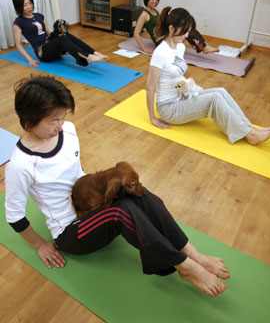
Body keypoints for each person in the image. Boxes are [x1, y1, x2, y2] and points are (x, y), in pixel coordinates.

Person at [5, 75, 230, 298]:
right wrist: (39, 245)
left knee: (140, 194)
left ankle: (193, 254)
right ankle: (185, 267)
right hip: (71, 231)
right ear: (28, 122)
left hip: (90, 203)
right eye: (53, 121)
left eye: (62, 117)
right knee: (122, 211)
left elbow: (73, 171)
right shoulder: (20, 165)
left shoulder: (69, 131)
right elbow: (14, 216)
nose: (60, 125)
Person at [146, 6, 270, 145]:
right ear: (172, 29)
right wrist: (152, 118)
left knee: (220, 91)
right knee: (214, 99)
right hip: (169, 108)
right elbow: (150, 87)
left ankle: (249, 128)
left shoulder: (180, 47)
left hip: (181, 97)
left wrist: (189, 88)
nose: (186, 36)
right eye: (184, 31)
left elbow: (177, 74)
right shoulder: (160, 53)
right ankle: (249, 134)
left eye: (188, 31)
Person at [12, 0, 108, 68]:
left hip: (51, 46)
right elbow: (18, 44)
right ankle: (87, 57)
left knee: (63, 31)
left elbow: (48, 31)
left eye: (30, 3)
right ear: (19, 7)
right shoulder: (19, 22)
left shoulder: (39, 16)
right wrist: (30, 60)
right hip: (43, 52)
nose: (29, 7)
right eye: (25, 5)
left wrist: (61, 39)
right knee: (62, 38)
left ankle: (94, 52)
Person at [134, 0, 219, 55]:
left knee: (187, 27)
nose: (155, 1)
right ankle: (204, 47)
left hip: (166, 36)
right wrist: (144, 49)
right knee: (186, 30)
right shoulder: (144, 15)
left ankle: (203, 46)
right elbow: (136, 34)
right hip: (161, 42)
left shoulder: (157, 11)